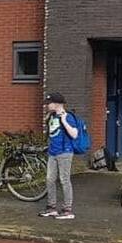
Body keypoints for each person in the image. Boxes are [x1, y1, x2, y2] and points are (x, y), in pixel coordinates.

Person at [41, 92, 79, 220]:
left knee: (64, 180)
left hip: (65, 152)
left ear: (57, 104)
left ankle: (67, 209)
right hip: (53, 152)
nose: (47, 105)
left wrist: (64, 121)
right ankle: (51, 207)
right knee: (49, 179)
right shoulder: (51, 116)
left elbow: (74, 134)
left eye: (49, 103)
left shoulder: (68, 117)